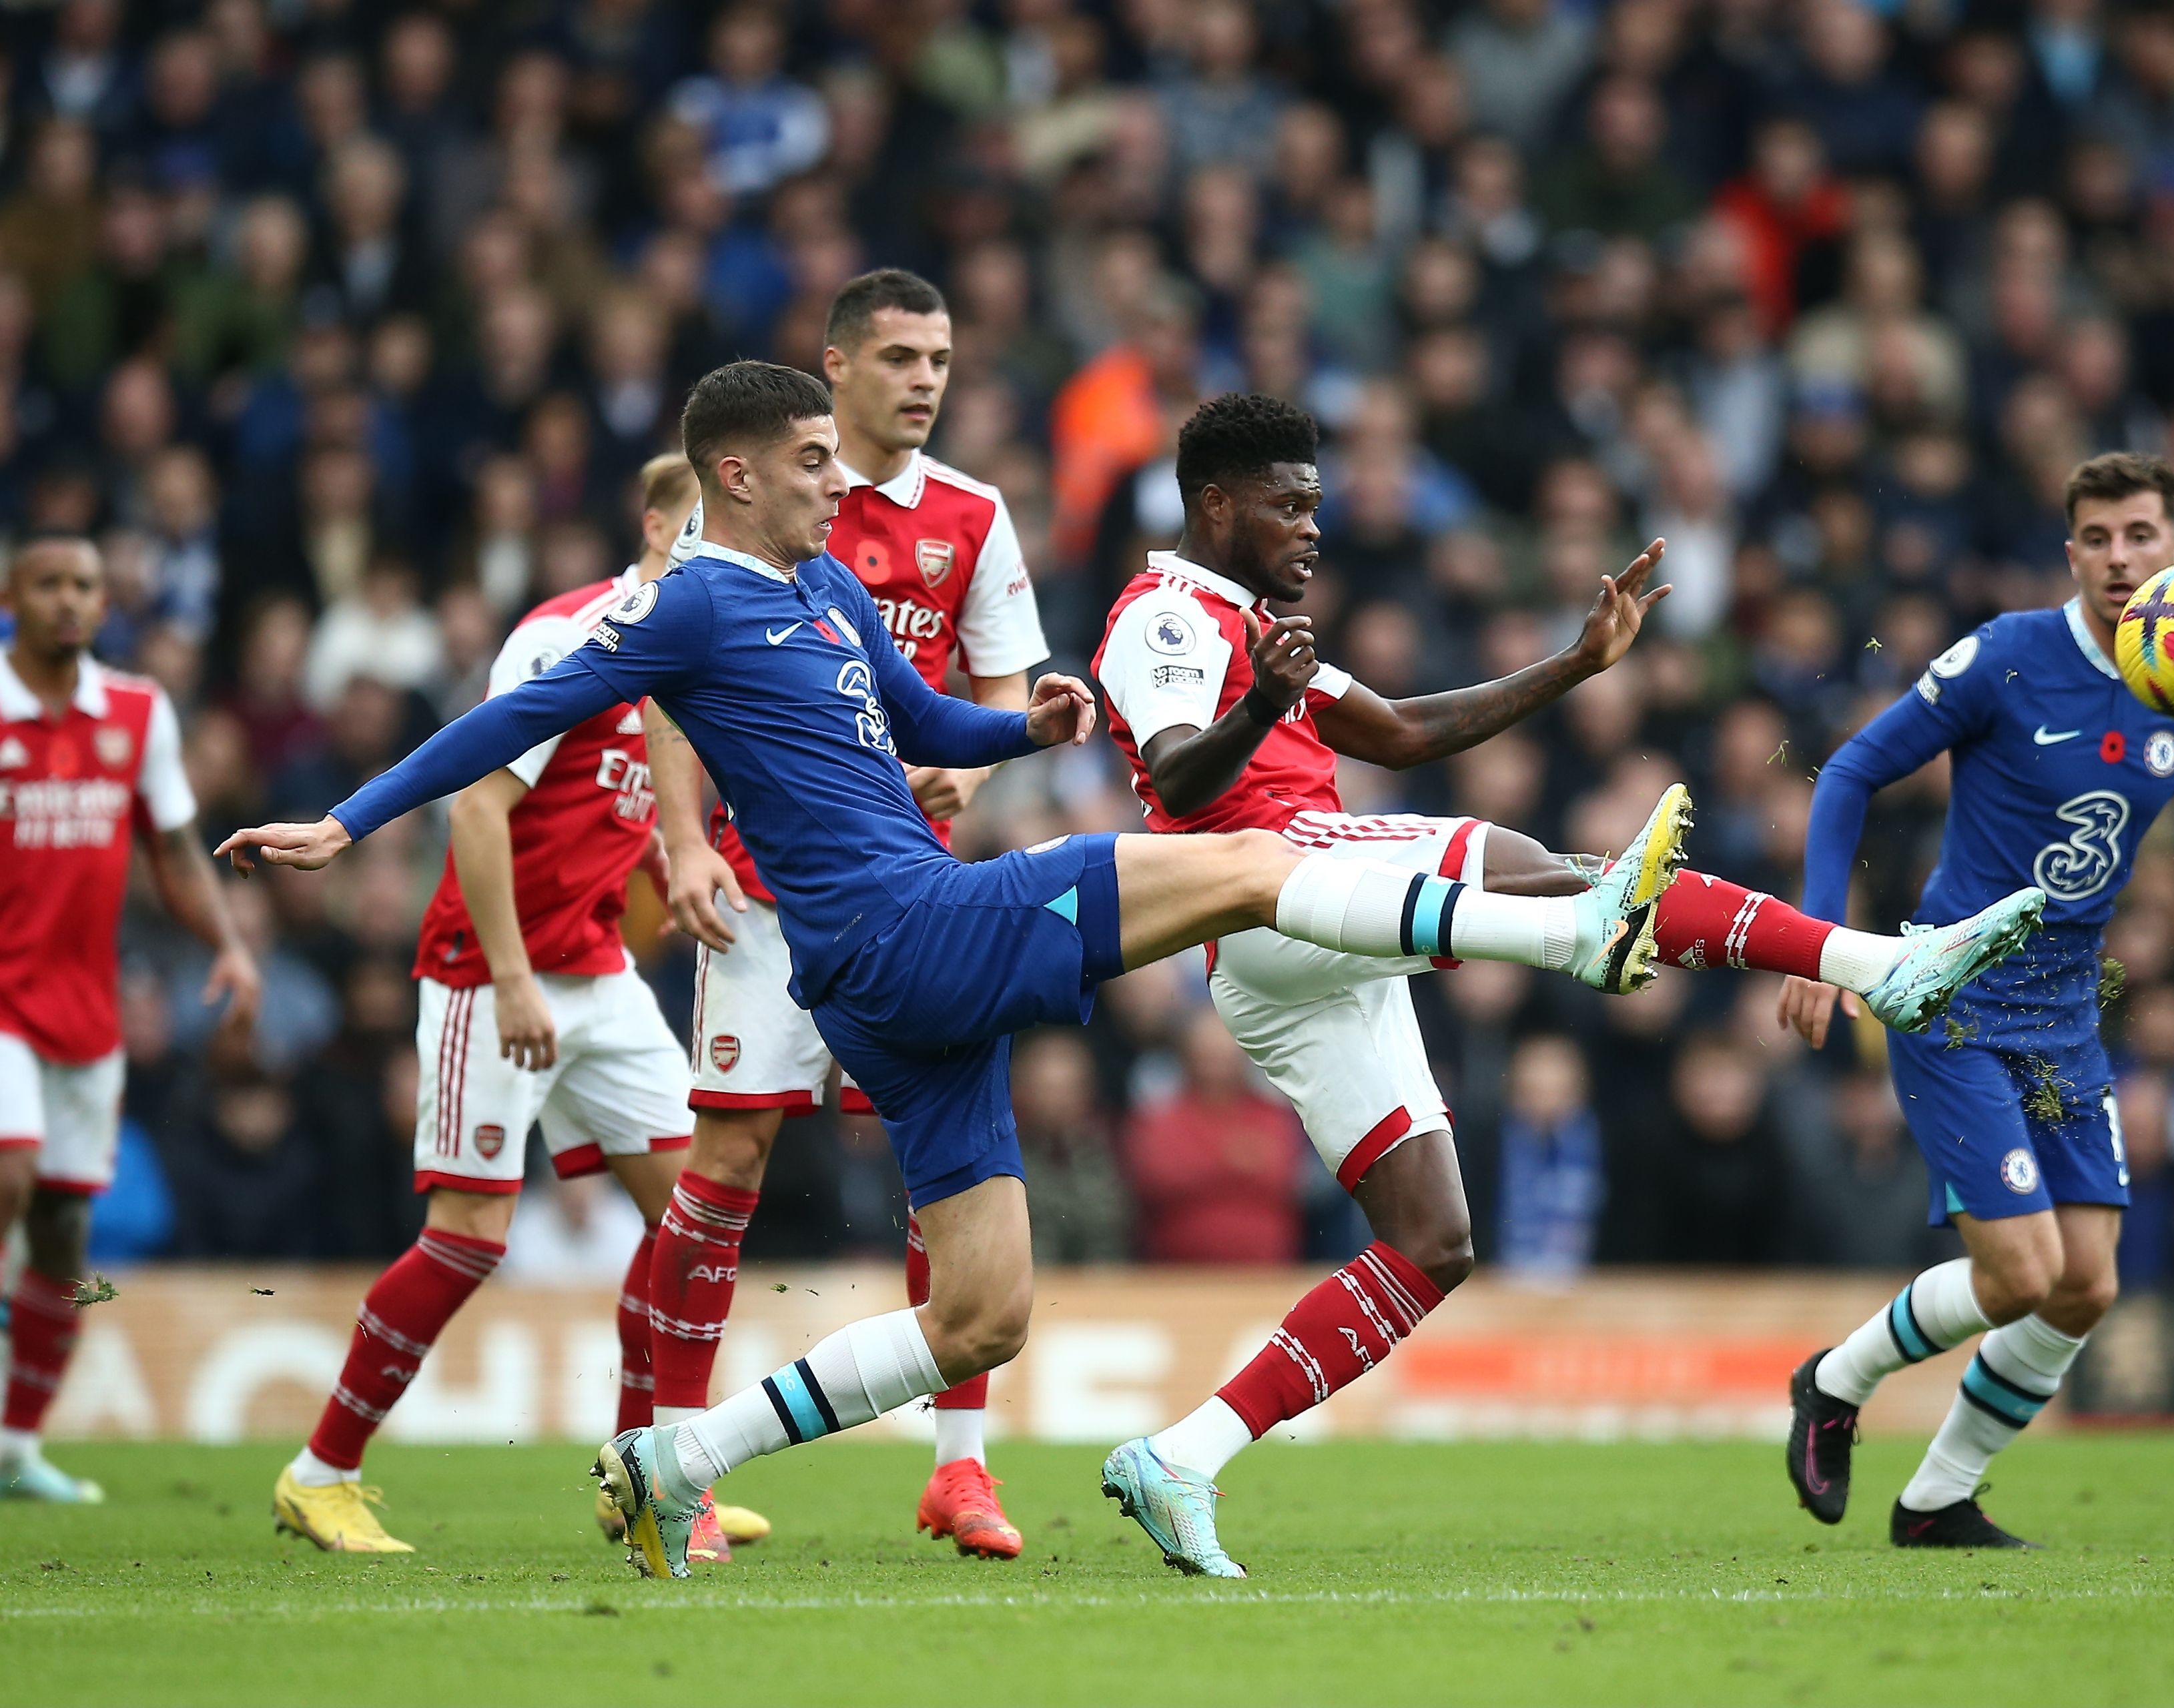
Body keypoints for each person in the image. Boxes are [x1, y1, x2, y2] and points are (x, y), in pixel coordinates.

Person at [218, 359, 1694, 1580]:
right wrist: (349, 820)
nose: (831, 480)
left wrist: (1033, 729)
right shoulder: (684, 603)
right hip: (909, 928)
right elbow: (505, 724)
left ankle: (677, 1455)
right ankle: (1569, 926)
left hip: (880, 984)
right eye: (807, 459)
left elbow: (927, 720)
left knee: (981, 1315)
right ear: (734, 474)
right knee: (1254, 860)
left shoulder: (830, 595)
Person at [1084, 394, 2047, 1576]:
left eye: (1319, 505)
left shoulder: (1258, 624)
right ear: (1215, 504)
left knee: (1432, 1241)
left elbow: (1402, 730)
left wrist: (1578, 664)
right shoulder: (1163, 616)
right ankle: (1872, 963)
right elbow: (1182, 788)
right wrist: (1264, 701)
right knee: (1554, 873)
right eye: (1290, 504)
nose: (1311, 527)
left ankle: (1182, 1456)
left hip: (1306, 947)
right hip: (1260, 890)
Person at [268, 456, 764, 1561]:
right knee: (470, 1239)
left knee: (693, 1210)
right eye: (702, 520)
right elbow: (480, 813)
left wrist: (668, 865)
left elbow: (608, 807)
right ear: (652, 519)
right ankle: (321, 1474)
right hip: (487, 974)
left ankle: (646, 1472)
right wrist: (512, 978)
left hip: (596, 974)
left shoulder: (701, 656)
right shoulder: (567, 636)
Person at [1780, 451, 2174, 1549]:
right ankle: (1834, 1381)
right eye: (2097, 539)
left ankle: (1939, 1499)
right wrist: (1819, 943)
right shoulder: (2007, 657)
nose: (2119, 558)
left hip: (2064, 1018)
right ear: (2072, 553)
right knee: (2021, 1275)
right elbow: (1854, 772)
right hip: (1951, 997)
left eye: (2141, 536)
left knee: (2086, 1287)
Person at [648, 269, 1048, 1561]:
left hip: (915, 896)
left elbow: (1001, 687)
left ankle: (958, 1469)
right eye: (896, 357)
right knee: (724, 1165)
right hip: (766, 898)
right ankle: (675, 1459)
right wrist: (680, 838)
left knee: (946, 1183)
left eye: (938, 356)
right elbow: (664, 679)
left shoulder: (976, 517)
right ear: (833, 367)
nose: (924, 378)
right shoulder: (757, 497)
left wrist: (968, 769)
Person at [0, 534, 260, 1503]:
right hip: (1, 1005)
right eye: (50, 584)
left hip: (83, 1007)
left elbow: (174, 847)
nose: (70, 600)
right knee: (11, 1164)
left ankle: (17, 1449)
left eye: (85, 586)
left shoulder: (135, 711)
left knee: (66, 1236)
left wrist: (229, 943)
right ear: (12, 597)